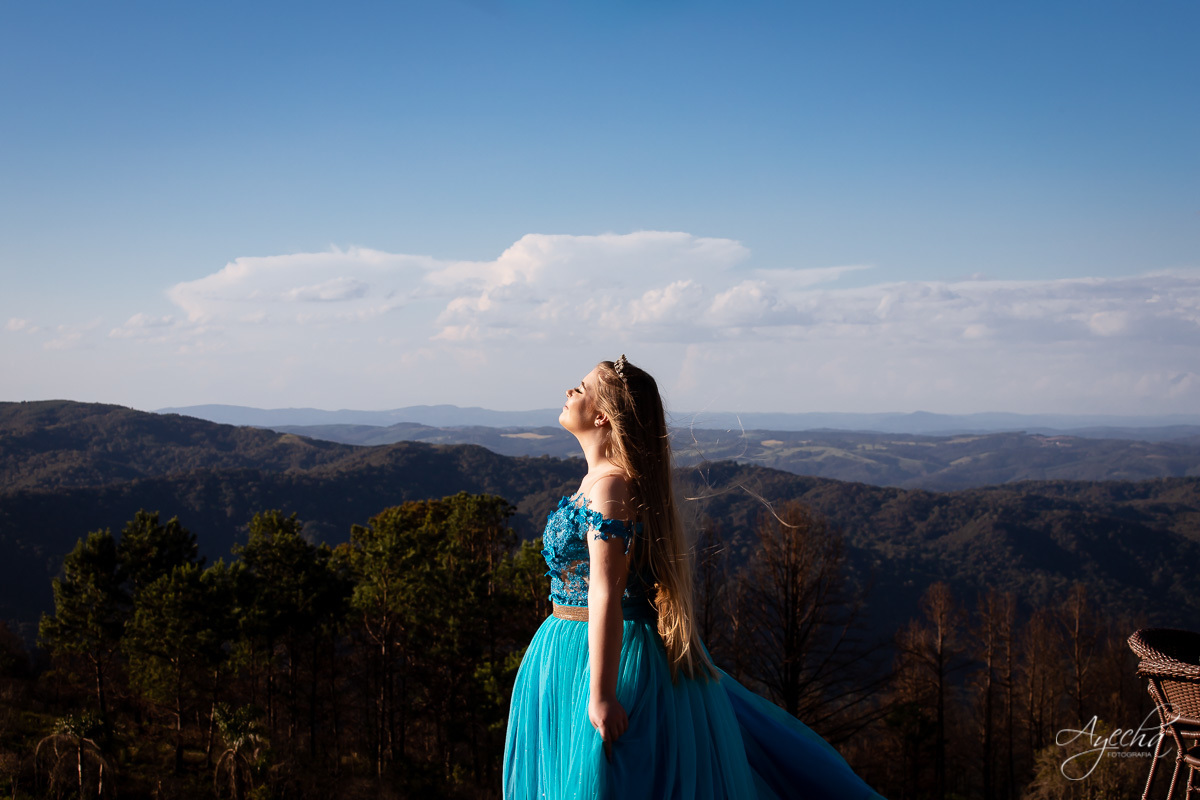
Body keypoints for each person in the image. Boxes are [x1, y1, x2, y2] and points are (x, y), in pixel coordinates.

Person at [503, 356, 886, 800]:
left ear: (603, 413)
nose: (570, 392)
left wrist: (602, 693)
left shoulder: (610, 488)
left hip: (603, 655)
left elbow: (605, 593)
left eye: (581, 387)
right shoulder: (596, 481)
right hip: (569, 647)